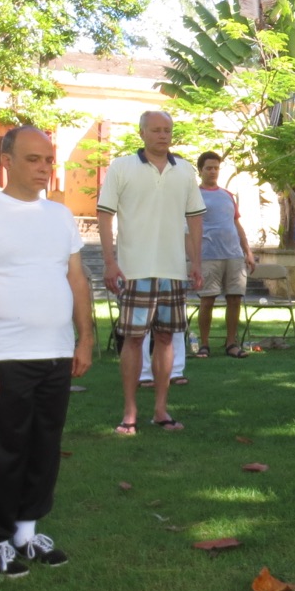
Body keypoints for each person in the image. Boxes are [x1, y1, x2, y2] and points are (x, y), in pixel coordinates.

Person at [0, 127, 93, 577]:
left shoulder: (60, 216)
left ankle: (27, 534)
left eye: (49, 160)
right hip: (3, 355)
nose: (44, 168)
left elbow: (76, 280)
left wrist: (84, 338)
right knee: (1, 449)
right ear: (6, 161)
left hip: (54, 352)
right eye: (33, 159)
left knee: (43, 446)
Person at [97, 111, 204, 434]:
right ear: (141, 133)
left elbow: (195, 218)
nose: (163, 135)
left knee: (166, 338)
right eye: (156, 130)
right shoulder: (121, 167)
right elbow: (104, 214)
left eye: (167, 130)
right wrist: (109, 261)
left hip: (173, 270)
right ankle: (129, 412)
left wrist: (196, 261)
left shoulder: (184, 170)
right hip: (134, 268)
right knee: (133, 339)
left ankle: (160, 409)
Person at [194, 152, 257, 359]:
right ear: (200, 170)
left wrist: (247, 251)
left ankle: (231, 343)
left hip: (234, 255)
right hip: (208, 254)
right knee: (207, 300)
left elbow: (236, 223)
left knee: (235, 299)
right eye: (208, 168)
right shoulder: (194, 195)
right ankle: (204, 344)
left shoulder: (227, 195)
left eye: (216, 168)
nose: (213, 172)